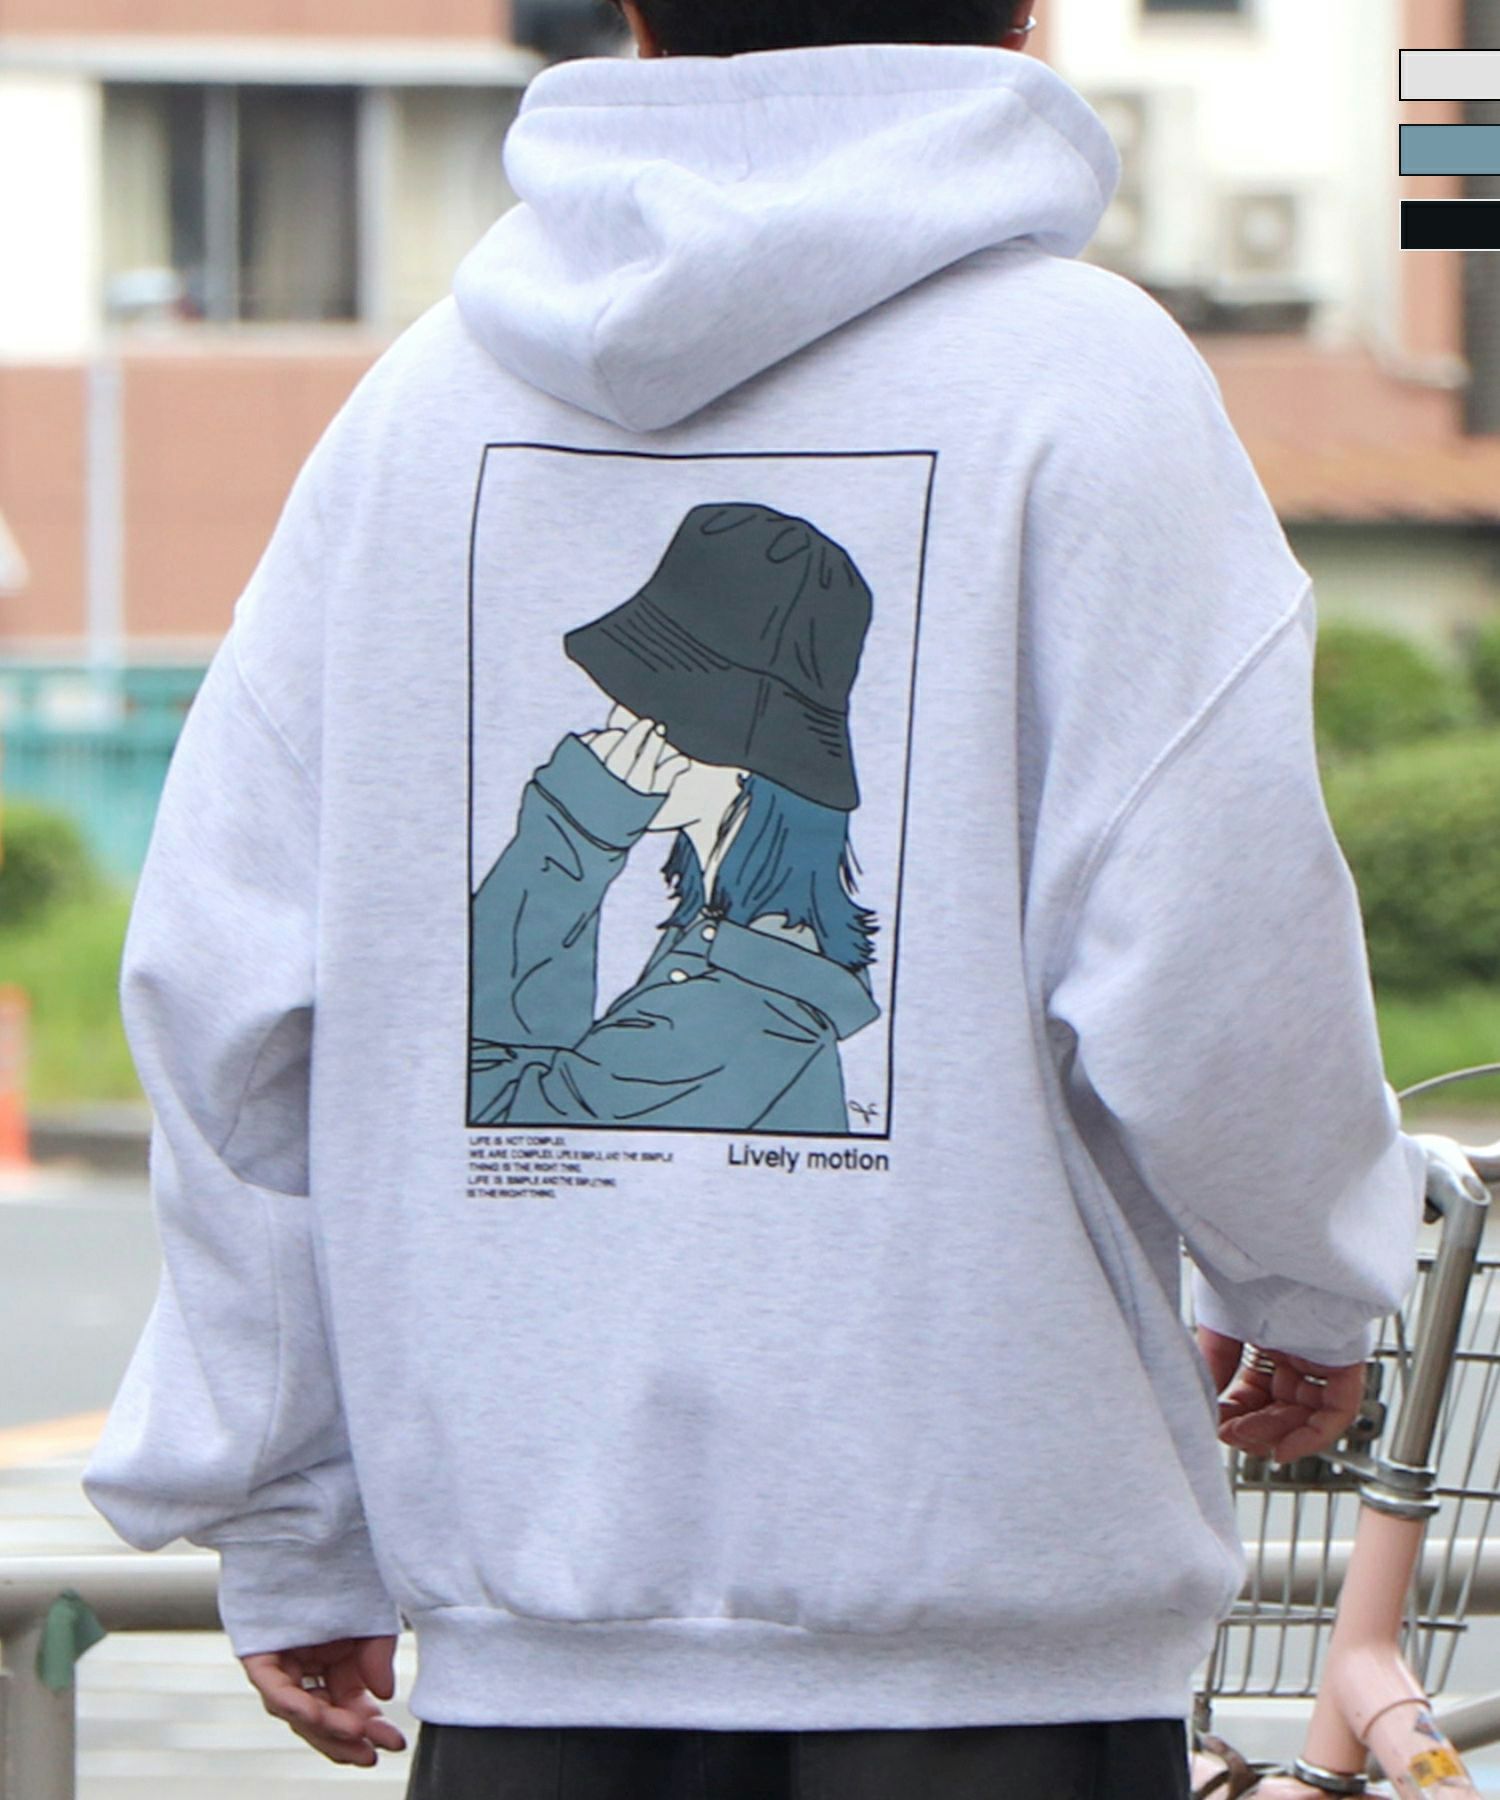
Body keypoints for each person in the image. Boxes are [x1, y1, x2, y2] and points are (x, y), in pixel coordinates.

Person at [80, 1, 1428, 1796]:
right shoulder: (1086, 382)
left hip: (536, 1666)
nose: (620, 730)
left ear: (637, 14)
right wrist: (1304, 1279)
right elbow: (1219, 944)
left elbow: (229, 998)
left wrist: (291, 1510)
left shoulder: (420, 408)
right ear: (1027, 14)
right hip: (990, 1649)